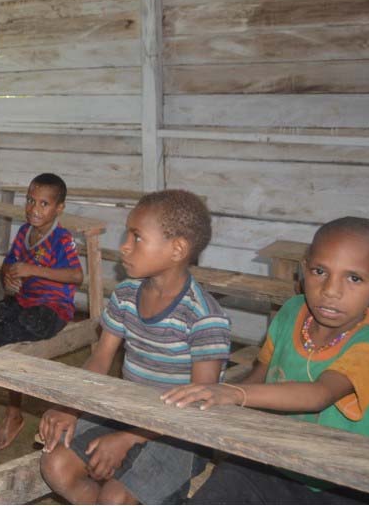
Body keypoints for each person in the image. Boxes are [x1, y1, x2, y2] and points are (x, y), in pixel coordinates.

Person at [165, 217, 369, 504]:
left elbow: (320, 394)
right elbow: (260, 374)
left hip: (340, 483)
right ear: (303, 270)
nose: (331, 290)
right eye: (320, 271)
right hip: (271, 462)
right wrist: (228, 413)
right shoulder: (291, 312)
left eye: (354, 278)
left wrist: (234, 392)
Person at [38, 190, 231, 505]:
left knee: (115, 499)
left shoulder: (204, 316)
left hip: (180, 434)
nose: (125, 245)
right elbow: (100, 360)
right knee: (55, 464)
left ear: (178, 249)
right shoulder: (126, 295)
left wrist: (128, 439)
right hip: (126, 413)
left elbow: (201, 405)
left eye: (137, 237)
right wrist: (69, 406)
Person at [0, 173, 83, 450]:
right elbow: (8, 263)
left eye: (43, 204)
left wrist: (33, 270)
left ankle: (13, 413)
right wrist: (9, 278)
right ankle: (1, 405)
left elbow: (77, 276)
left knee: (14, 328)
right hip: (24, 304)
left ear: (59, 209)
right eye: (30, 200)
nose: (34, 209)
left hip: (53, 311)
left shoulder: (61, 239)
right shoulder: (23, 233)